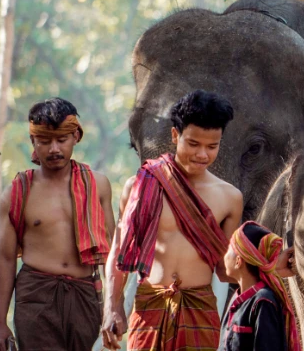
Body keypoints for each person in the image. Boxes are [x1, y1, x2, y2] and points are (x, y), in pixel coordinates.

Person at [101, 90, 244, 351]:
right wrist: (112, 306)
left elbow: (226, 269)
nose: (202, 154)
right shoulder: (140, 185)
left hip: (199, 307)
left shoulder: (230, 197)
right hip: (149, 305)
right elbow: (119, 251)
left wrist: (272, 267)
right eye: (193, 143)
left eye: (212, 146)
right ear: (175, 135)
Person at [0, 98, 115, 350]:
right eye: (45, 141)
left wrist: (114, 308)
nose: (54, 149)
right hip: (36, 296)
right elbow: (5, 259)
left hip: (85, 295)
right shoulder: (17, 192)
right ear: (33, 142)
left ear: (76, 136)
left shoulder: (98, 185)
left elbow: (112, 253)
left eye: (62, 139)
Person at [218, 221, 301, 351]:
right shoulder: (238, 296)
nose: (225, 255)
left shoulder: (263, 301)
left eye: (229, 248)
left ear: (238, 261)